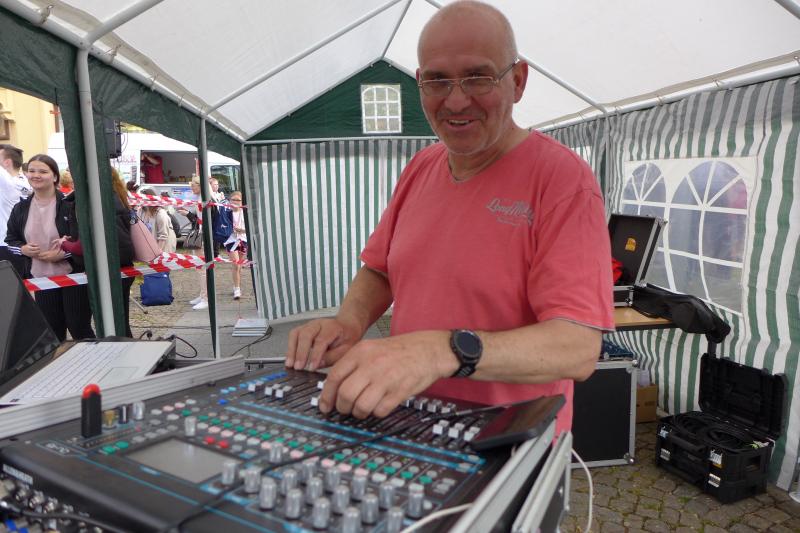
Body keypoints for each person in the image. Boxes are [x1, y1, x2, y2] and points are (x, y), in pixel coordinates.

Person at [285, 0, 614, 435]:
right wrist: (349, 322)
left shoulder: (562, 179)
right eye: (438, 81)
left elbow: (577, 346)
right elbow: (380, 269)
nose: (456, 101)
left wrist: (441, 351)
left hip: (506, 444)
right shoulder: (421, 166)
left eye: (478, 77)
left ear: (518, 81)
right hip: (410, 426)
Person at [5, 154, 95, 341]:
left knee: (79, 327)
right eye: (31, 171)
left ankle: (94, 358)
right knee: (52, 332)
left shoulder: (70, 205)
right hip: (41, 278)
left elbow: (85, 241)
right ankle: (59, 361)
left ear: (54, 176)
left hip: (73, 276)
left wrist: (63, 253)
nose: (36, 175)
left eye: (43, 171)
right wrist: (23, 249)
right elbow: (10, 240)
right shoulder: (20, 208)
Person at [0, 144, 28, 275]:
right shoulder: (26, 182)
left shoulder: (8, 183)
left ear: (6, 163)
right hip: (21, 243)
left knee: (9, 286)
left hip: (6, 244)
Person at [223, 191, 247, 300]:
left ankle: (237, 285)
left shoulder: (245, 212)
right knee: (236, 264)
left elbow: (251, 228)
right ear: (229, 201)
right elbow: (222, 226)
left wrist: (242, 230)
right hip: (231, 240)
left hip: (243, 239)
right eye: (233, 200)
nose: (235, 202)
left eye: (238, 200)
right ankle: (237, 289)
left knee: (239, 265)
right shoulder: (226, 212)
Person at [138, 187, 176, 254]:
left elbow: (163, 236)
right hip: (151, 244)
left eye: (142, 198)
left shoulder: (161, 214)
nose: (139, 200)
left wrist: (157, 253)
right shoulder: (141, 211)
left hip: (164, 245)